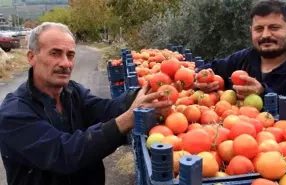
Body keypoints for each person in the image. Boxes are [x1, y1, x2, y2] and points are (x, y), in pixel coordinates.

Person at [0, 22, 172, 185]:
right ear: (31, 57)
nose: (65, 63)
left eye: (70, 55)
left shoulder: (72, 91)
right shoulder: (14, 114)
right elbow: (64, 153)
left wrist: (144, 94)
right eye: (55, 53)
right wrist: (127, 119)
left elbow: (105, 110)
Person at [195, 0, 286, 130]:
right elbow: (211, 68)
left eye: (274, 27)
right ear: (251, 31)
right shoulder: (244, 58)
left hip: (277, 148)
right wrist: (200, 80)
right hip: (234, 137)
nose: (265, 35)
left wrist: (264, 95)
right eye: (259, 29)